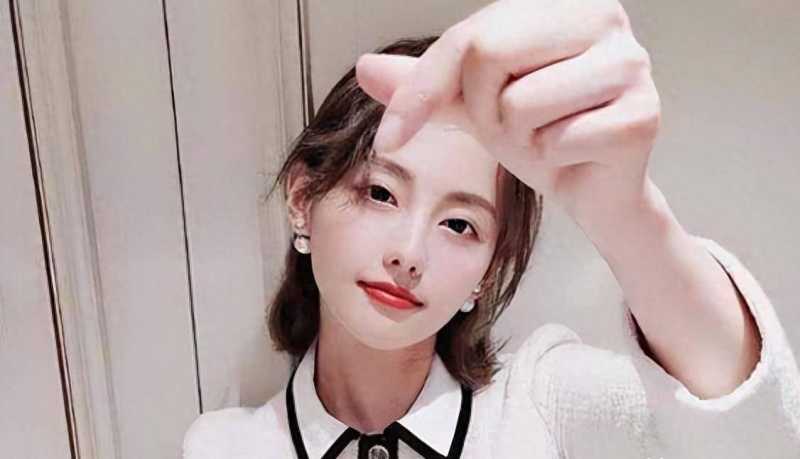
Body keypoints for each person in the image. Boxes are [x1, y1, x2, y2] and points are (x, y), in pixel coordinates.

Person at [183, 1, 800, 458]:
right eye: (380, 193)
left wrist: (628, 214)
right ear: (302, 198)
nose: (409, 254)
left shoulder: (544, 401)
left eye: (460, 224)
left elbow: (756, 443)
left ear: (488, 270)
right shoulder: (221, 447)